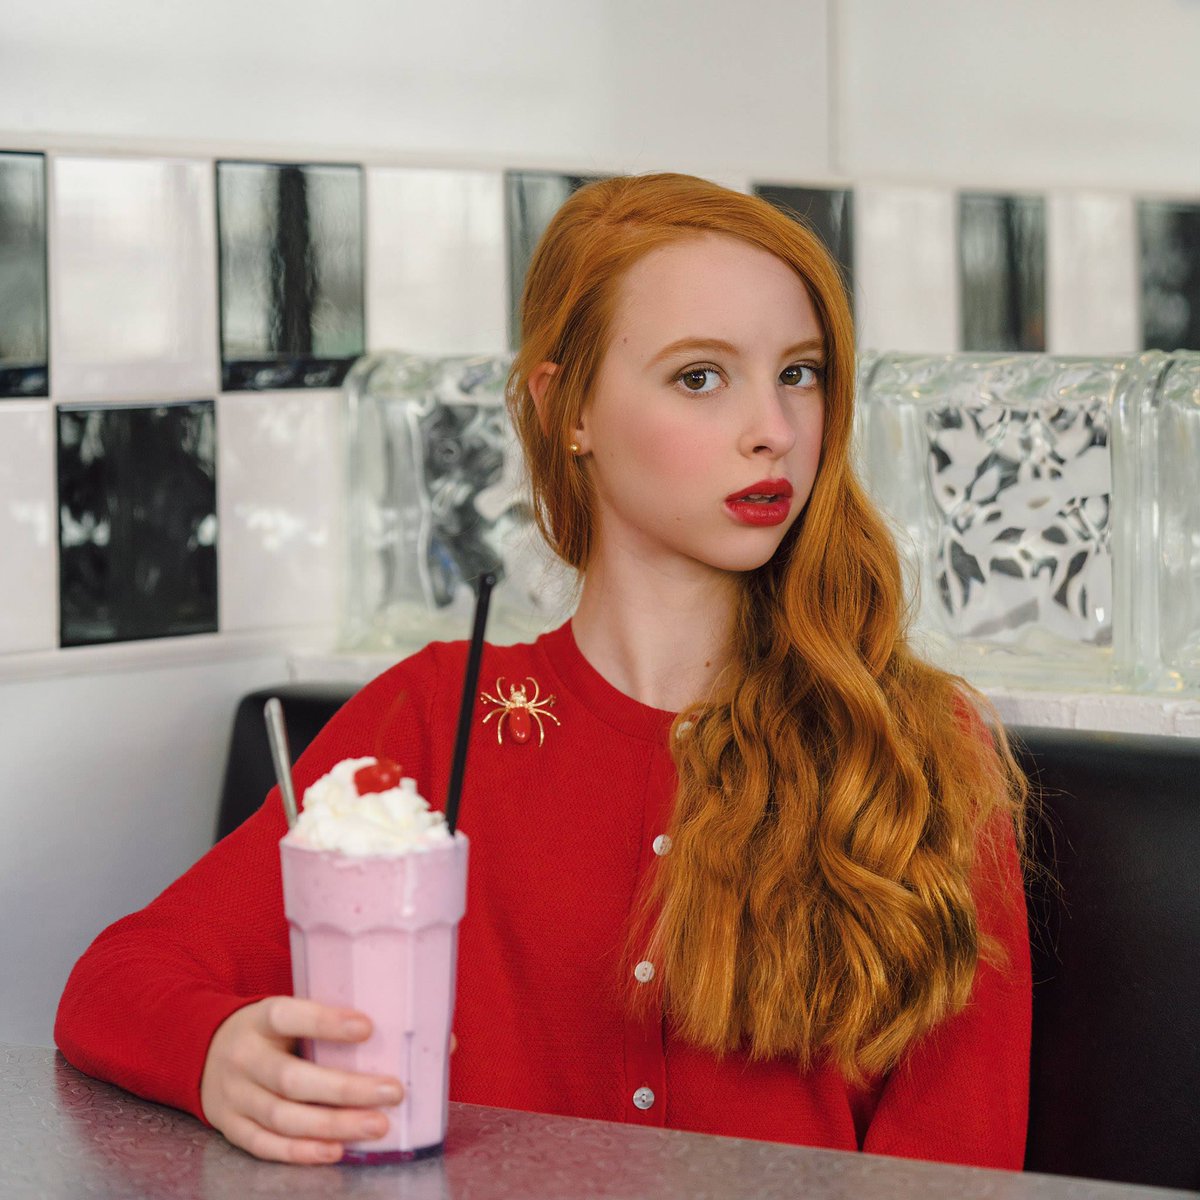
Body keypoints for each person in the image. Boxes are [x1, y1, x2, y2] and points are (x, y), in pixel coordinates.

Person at [56, 172, 1031, 1169]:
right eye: (701, 377)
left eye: (801, 373)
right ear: (567, 408)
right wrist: (221, 1055)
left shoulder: (918, 749)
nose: (774, 430)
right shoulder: (433, 720)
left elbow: (960, 1160)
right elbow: (117, 981)